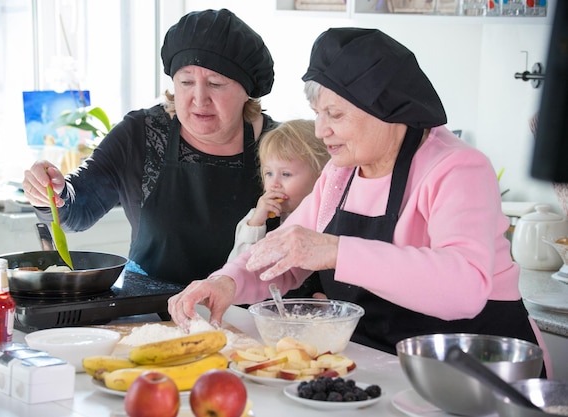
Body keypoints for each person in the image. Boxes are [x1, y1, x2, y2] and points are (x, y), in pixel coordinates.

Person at [167, 27, 549, 371]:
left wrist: (336, 250)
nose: (321, 130)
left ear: (384, 109)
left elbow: (464, 287)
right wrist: (224, 283)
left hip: (479, 371)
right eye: (318, 113)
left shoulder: (458, 168)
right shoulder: (341, 173)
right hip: (389, 366)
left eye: (335, 114)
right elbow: (283, 252)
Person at [21, 9, 276, 286]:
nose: (199, 98)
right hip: (149, 316)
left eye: (216, 83)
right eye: (186, 82)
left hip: (248, 319)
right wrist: (51, 192)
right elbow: (77, 211)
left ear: (247, 90)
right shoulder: (140, 134)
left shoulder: (281, 146)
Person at [227, 119, 330, 298]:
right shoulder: (259, 220)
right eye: (269, 173)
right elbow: (238, 271)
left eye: (286, 174)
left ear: (321, 178)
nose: (274, 184)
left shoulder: (330, 222)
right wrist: (256, 224)